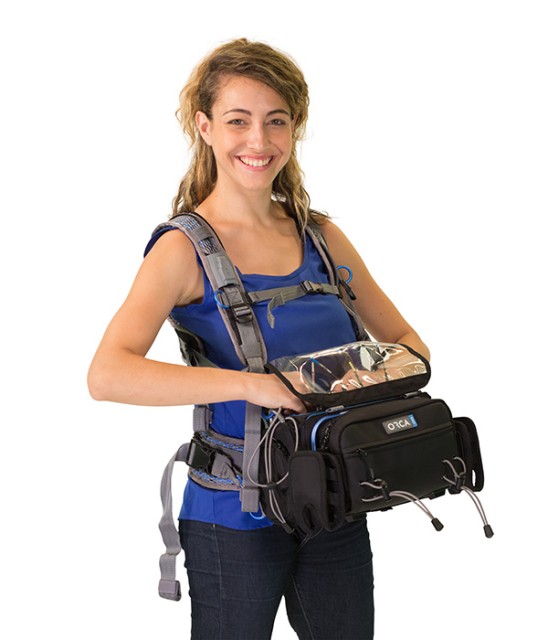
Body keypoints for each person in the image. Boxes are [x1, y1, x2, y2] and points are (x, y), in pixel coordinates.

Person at [88, 38, 430, 640]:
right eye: (238, 120)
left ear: (295, 128)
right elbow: (107, 374)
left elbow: (409, 344)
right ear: (204, 127)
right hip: (233, 516)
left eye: (276, 121)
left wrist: (361, 375)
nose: (259, 140)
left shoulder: (321, 237)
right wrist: (254, 386)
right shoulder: (183, 249)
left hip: (335, 501)